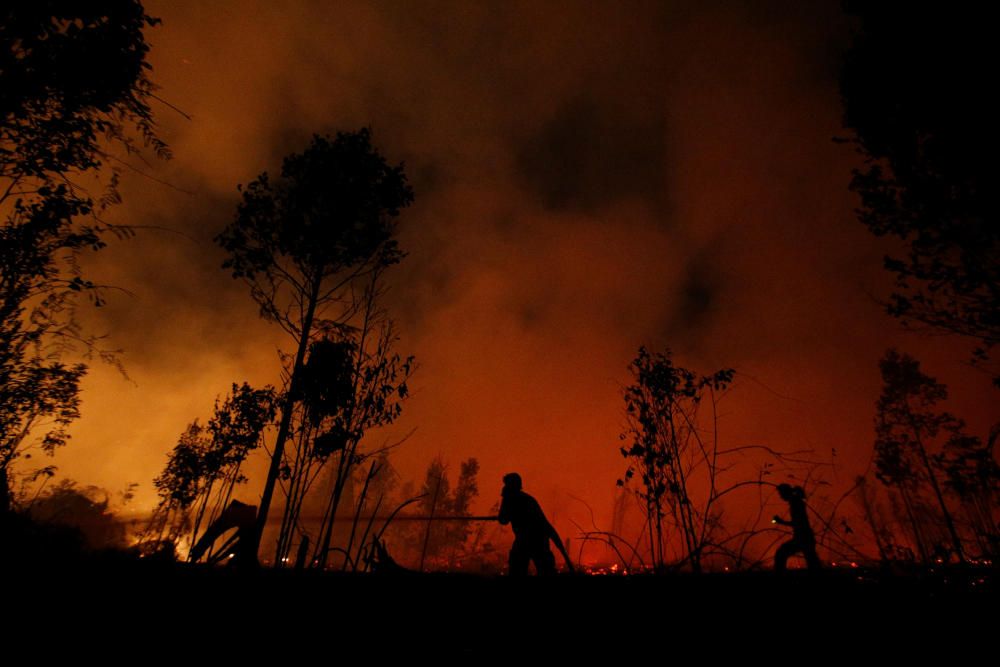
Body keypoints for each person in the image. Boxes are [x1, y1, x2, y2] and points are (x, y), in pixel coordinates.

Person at [498, 472, 574, 575]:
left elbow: (503, 519)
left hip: (531, 540)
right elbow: (545, 524)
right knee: (542, 571)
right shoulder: (528, 499)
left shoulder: (511, 498)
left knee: (519, 572)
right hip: (538, 540)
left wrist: (505, 501)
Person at [772, 483, 822, 571]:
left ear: (785, 493)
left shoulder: (796, 504)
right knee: (812, 562)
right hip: (805, 537)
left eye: (781, 494)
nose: (780, 497)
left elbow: (798, 522)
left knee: (781, 553)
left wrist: (781, 522)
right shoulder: (796, 502)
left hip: (803, 538)